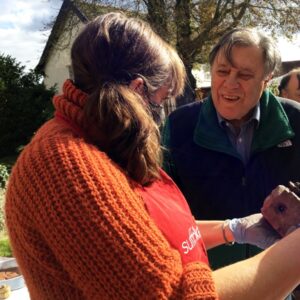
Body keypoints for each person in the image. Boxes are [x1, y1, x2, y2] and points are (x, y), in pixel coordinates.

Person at [4, 13, 300, 300]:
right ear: (138, 90)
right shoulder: (66, 167)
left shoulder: (103, 141)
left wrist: (232, 229)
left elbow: (148, 234)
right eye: (163, 100)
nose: (160, 117)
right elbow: (173, 294)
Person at [162, 27, 300, 270]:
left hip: (277, 277)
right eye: (222, 71)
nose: (230, 84)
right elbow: (165, 214)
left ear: (266, 80)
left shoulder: (295, 120)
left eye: (245, 75)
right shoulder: (179, 126)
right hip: (210, 277)